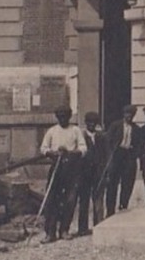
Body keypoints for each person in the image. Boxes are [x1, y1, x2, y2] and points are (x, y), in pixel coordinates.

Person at [39, 104, 86, 243]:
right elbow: (43, 148)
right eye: (60, 117)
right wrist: (52, 153)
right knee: (52, 200)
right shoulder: (52, 131)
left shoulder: (75, 130)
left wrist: (70, 153)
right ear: (57, 117)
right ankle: (50, 232)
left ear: (69, 116)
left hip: (71, 168)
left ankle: (64, 230)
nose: (62, 119)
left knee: (70, 200)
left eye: (65, 116)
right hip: (56, 168)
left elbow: (83, 148)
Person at [105, 105, 144, 216]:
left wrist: (135, 154)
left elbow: (139, 145)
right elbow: (108, 141)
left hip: (129, 157)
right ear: (123, 114)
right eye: (127, 114)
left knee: (127, 183)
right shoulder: (115, 125)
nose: (129, 117)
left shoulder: (136, 128)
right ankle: (110, 211)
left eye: (131, 115)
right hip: (116, 155)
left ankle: (123, 206)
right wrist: (110, 155)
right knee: (112, 184)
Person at [76, 111, 108, 236]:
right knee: (84, 200)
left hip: (98, 172)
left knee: (99, 199)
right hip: (84, 173)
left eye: (94, 123)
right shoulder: (81, 136)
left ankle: (99, 225)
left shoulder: (102, 137)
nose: (91, 125)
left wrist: (105, 171)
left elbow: (106, 155)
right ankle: (82, 228)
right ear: (86, 123)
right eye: (89, 122)